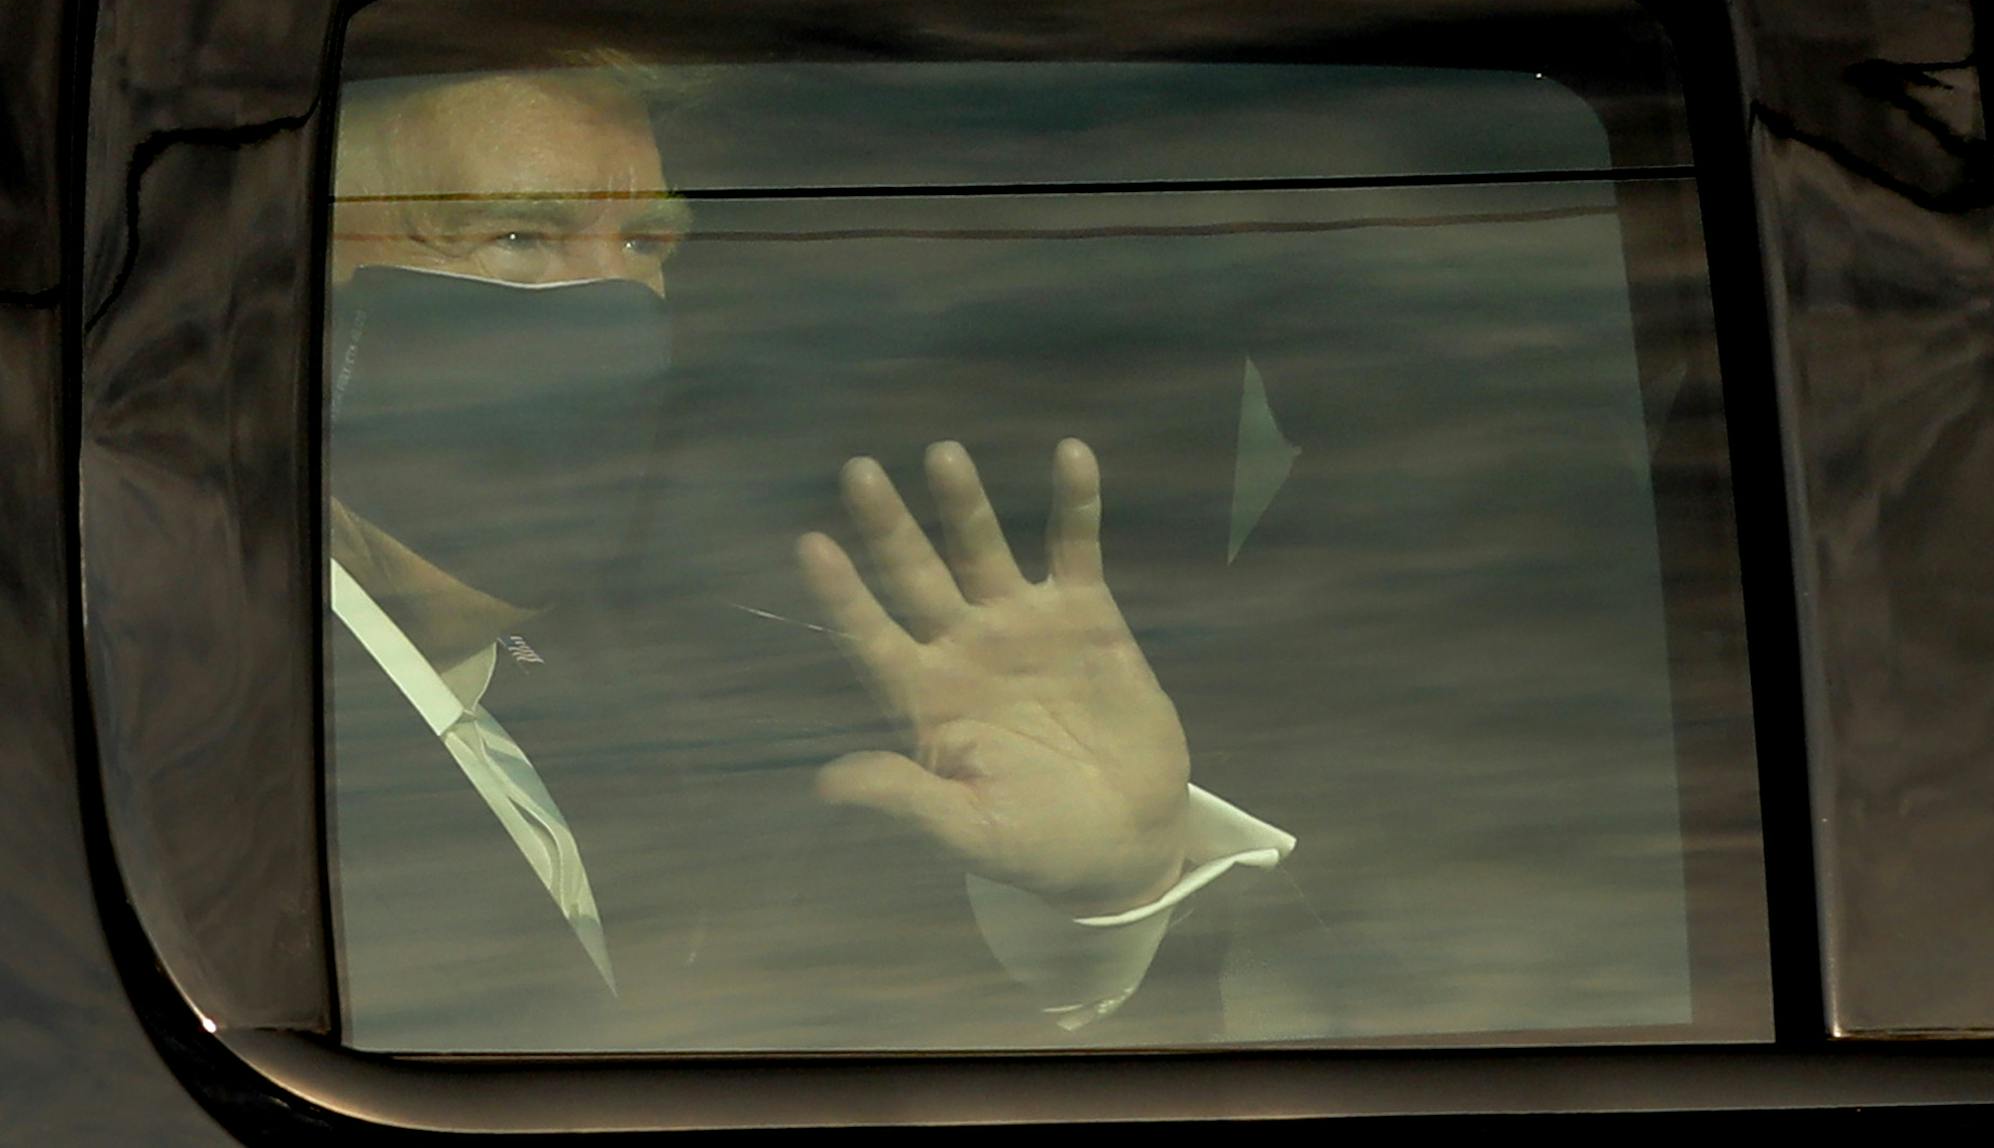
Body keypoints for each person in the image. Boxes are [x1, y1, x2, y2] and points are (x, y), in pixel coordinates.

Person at [321, 67, 1299, 1050]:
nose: (617, 306)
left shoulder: (696, 706)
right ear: (296, 288)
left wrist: (1109, 895)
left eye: (644, 243)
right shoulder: (226, 746)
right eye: (520, 236)